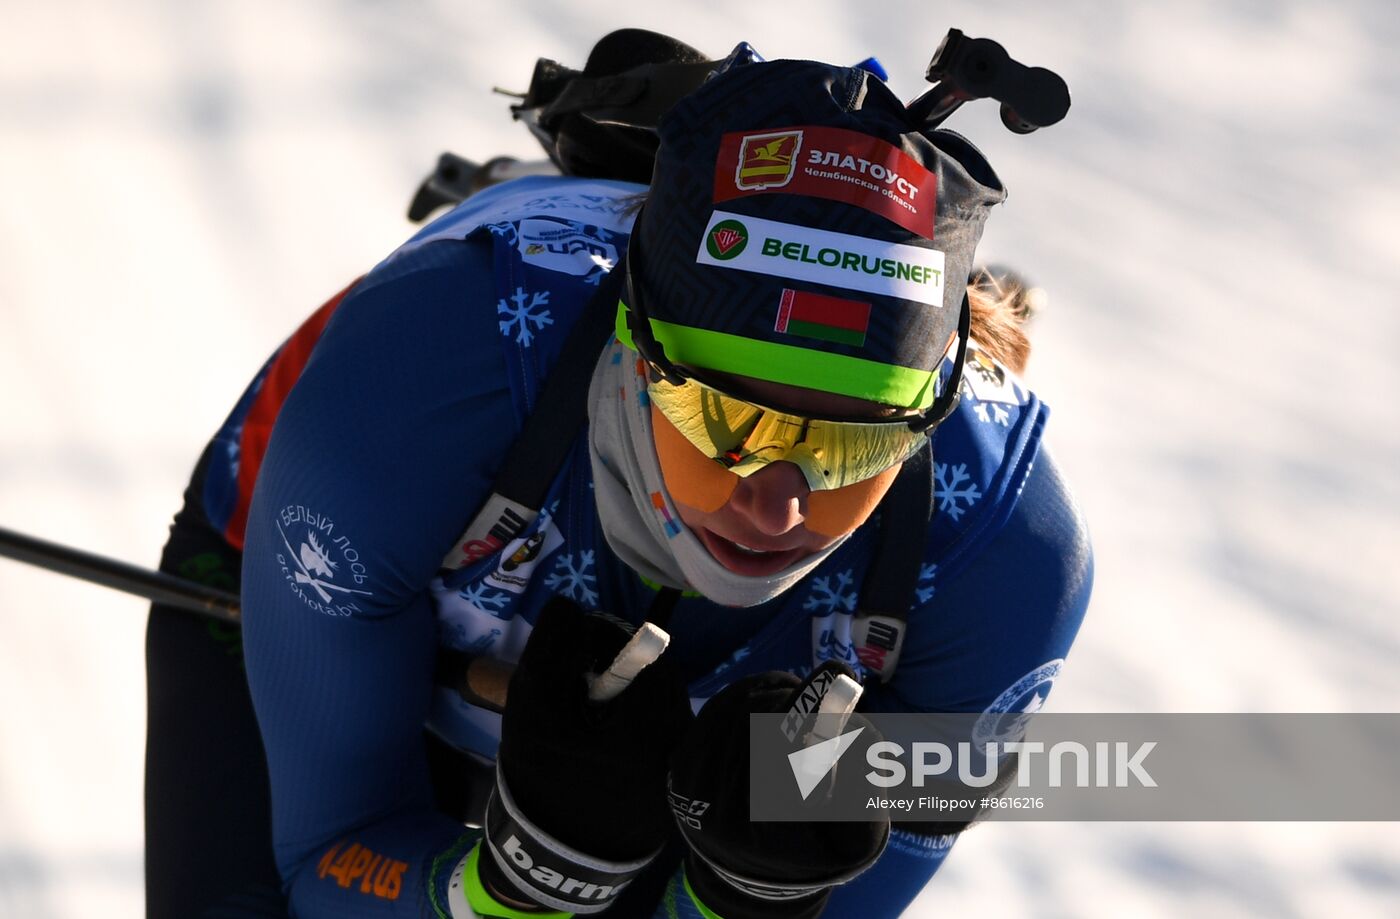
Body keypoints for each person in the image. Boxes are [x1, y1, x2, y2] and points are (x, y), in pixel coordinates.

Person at [143, 30, 1092, 919]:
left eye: (857, 443)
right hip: (306, 544)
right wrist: (505, 894)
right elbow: (325, 858)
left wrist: (722, 903)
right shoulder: (412, 387)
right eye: (728, 417)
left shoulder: (1004, 555)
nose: (782, 503)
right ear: (633, 350)